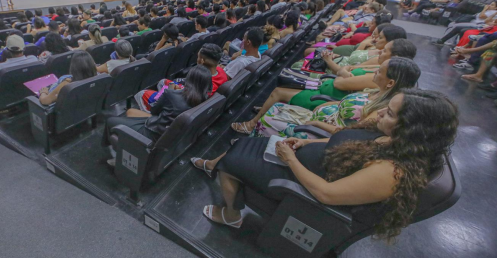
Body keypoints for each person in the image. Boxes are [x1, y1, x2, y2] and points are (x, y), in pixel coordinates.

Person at [195, 89, 458, 239]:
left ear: (412, 129)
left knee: (232, 159)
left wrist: (291, 159)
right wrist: (306, 144)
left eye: (389, 113)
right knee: (242, 145)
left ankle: (231, 215)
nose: (379, 112)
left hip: (302, 184)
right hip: (307, 163)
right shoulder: (394, 140)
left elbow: (326, 194)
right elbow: (349, 146)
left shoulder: (392, 172)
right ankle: (225, 177)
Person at [231, 38, 418, 134]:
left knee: (279, 91)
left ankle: (252, 124)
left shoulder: (382, 102)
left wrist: (340, 71)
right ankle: (265, 110)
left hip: (322, 96)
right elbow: (350, 70)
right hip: (326, 98)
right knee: (282, 87)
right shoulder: (380, 86)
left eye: (384, 50)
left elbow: (340, 82)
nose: (379, 50)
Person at [251, 57, 421, 138]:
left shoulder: (382, 109)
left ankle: (255, 144)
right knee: (275, 109)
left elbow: (351, 134)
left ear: (390, 83)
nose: (374, 72)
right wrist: (329, 105)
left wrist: (318, 122)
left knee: (269, 117)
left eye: (379, 71)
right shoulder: (376, 91)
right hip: (319, 118)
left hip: (319, 133)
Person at [104, 65, 212, 166]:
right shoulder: (205, 100)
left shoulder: (172, 94)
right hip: (167, 132)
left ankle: (120, 155)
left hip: (152, 133)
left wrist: (170, 91)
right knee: (130, 111)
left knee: (110, 121)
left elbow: (153, 110)